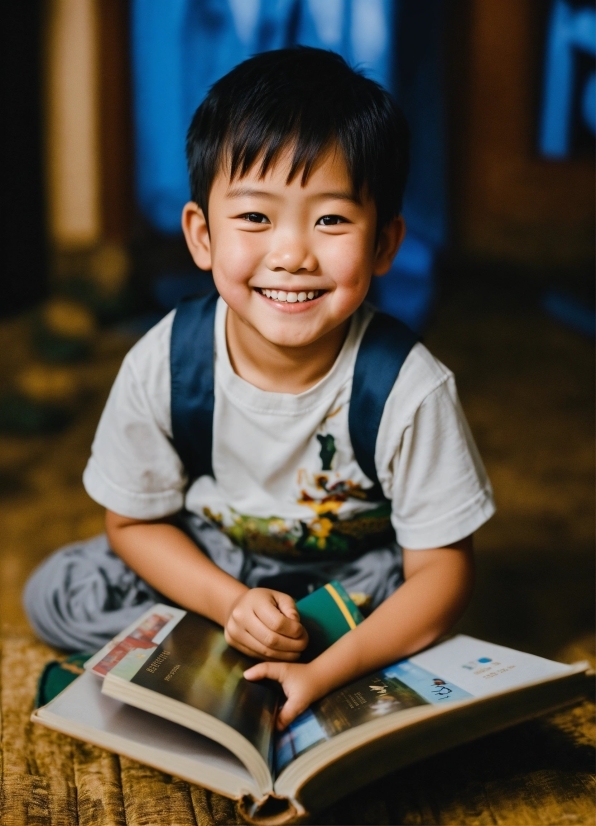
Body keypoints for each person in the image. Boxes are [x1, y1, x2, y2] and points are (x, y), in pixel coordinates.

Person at [24, 47, 495, 730]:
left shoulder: (407, 388)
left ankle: (268, 658)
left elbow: (443, 574)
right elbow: (131, 522)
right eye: (255, 218)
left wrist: (327, 668)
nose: (292, 254)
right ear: (201, 234)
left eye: (332, 219)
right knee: (58, 593)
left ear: (385, 244)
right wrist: (231, 602)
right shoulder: (167, 361)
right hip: (211, 555)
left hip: (347, 577)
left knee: (403, 605)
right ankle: (238, 639)